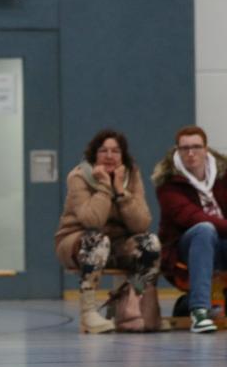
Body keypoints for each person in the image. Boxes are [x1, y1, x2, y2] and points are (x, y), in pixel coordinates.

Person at [153, 125, 227, 333]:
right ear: (177, 151)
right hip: (188, 252)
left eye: (196, 147)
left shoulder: (226, 176)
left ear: (206, 149)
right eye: (185, 148)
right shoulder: (168, 184)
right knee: (204, 229)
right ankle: (199, 310)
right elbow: (191, 216)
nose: (191, 153)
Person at [55, 129, 162, 333]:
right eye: (104, 151)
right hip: (76, 241)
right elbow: (91, 220)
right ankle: (88, 313)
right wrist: (105, 186)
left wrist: (121, 192)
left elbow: (141, 224)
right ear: (94, 155)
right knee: (97, 239)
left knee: (150, 243)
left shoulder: (131, 175)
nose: (110, 156)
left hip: (118, 242)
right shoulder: (79, 176)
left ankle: (132, 301)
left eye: (115, 151)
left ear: (123, 156)